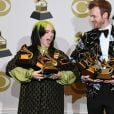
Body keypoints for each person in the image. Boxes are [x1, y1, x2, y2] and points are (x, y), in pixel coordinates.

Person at [6, 20, 77, 114]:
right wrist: (30, 74)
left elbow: (74, 72)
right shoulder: (27, 52)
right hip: (30, 105)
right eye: (47, 32)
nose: (51, 35)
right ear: (38, 34)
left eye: (52, 32)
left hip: (53, 106)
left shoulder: (59, 54)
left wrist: (61, 75)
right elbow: (10, 68)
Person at [71, 0, 114, 114]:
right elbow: (73, 60)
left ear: (105, 15)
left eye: (94, 16)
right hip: (94, 91)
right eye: (90, 16)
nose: (91, 19)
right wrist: (83, 77)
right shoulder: (87, 37)